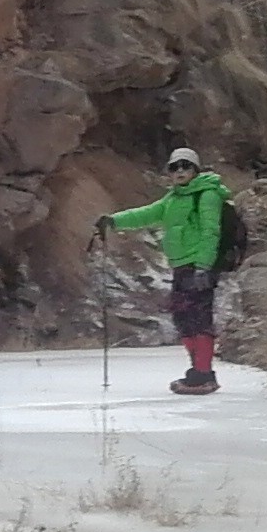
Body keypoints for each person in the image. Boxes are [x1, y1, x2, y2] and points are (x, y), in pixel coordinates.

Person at [95, 147, 230, 394]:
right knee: (183, 319)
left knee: (199, 319)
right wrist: (113, 221)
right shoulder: (173, 199)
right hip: (181, 266)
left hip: (199, 267)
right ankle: (199, 371)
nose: (180, 171)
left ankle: (203, 373)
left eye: (185, 166)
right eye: (174, 167)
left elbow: (212, 232)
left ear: (195, 170)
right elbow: (145, 214)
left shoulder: (207, 195)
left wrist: (203, 267)